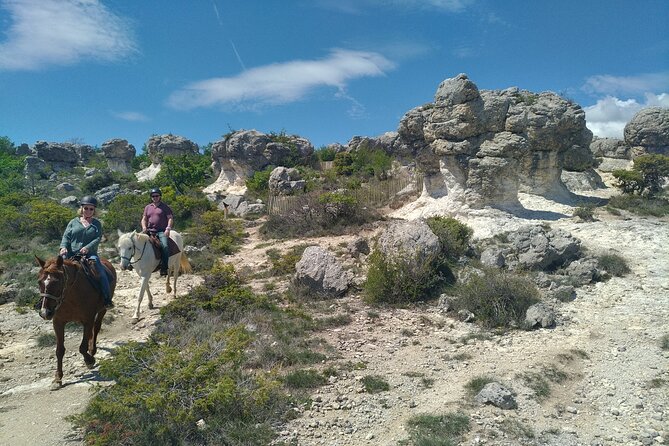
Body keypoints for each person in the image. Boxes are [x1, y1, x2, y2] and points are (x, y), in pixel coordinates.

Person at [59, 196, 113, 309]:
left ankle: (107, 299)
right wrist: (63, 247)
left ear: (94, 210)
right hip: (71, 253)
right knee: (55, 270)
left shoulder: (96, 224)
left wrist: (87, 248)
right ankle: (50, 300)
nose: (88, 211)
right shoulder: (73, 222)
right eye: (86, 208)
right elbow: (66, 236)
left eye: (91, 209)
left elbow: (97, 238)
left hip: (89, 253)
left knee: (100, 271)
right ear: (81, 208)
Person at [141, 188, 174, 276]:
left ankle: (164, 267)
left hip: (161, 231)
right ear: (151, 197)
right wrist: (144, 227)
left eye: (157, 196)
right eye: (153, 196)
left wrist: (168, 228)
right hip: (149, 230)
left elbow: (170, 218)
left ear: (160, 196)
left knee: (165, 246)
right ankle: (133, 263)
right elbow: (144, 219)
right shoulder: (148, 207)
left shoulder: (165, 207)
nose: (155, 197)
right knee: (135, 242)